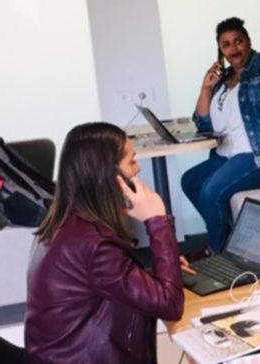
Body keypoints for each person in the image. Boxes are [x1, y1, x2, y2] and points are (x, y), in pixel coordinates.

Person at [25, 123, 184, 364]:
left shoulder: (66, 225)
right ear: (108, 174)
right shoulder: (94, 244)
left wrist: (163, 268)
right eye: (131, 161)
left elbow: (108, 281)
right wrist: (157, 221)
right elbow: (169, 305)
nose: (138, 168)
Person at [181, 17, 260, 252]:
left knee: (211, 191)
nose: (234, 48)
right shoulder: (224, 79)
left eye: (238, 41)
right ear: (220, 50)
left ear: (249, 41)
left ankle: (220, 255)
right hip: (229, 153)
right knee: (190, 181)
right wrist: (206, 87)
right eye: (226, 44)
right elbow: (203, 124)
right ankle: (229, 240)